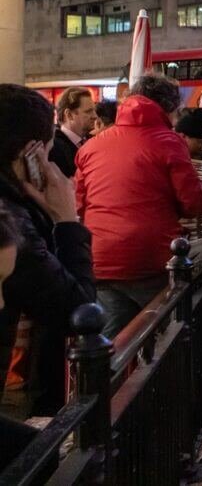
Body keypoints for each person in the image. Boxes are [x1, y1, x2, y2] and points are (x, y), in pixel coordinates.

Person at [76, 73, 202, 338]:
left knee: (111, 344)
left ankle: (106, 380)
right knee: (164, 343)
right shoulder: (169, 142)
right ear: (168, 109)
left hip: (101, 259)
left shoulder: (92, 146)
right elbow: (193, 203)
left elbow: (78, 205)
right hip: (150, 258)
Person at [0, 85, 96, 414]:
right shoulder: (10, 224)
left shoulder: (14, 211)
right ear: (33, 153)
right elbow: (80, 312)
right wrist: (66, 220)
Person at [50, 86, 96, 177]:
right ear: (69, 115)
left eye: (94, 110)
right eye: (88, 112)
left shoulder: (92, 141)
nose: (95, 116)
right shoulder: (54, 148)